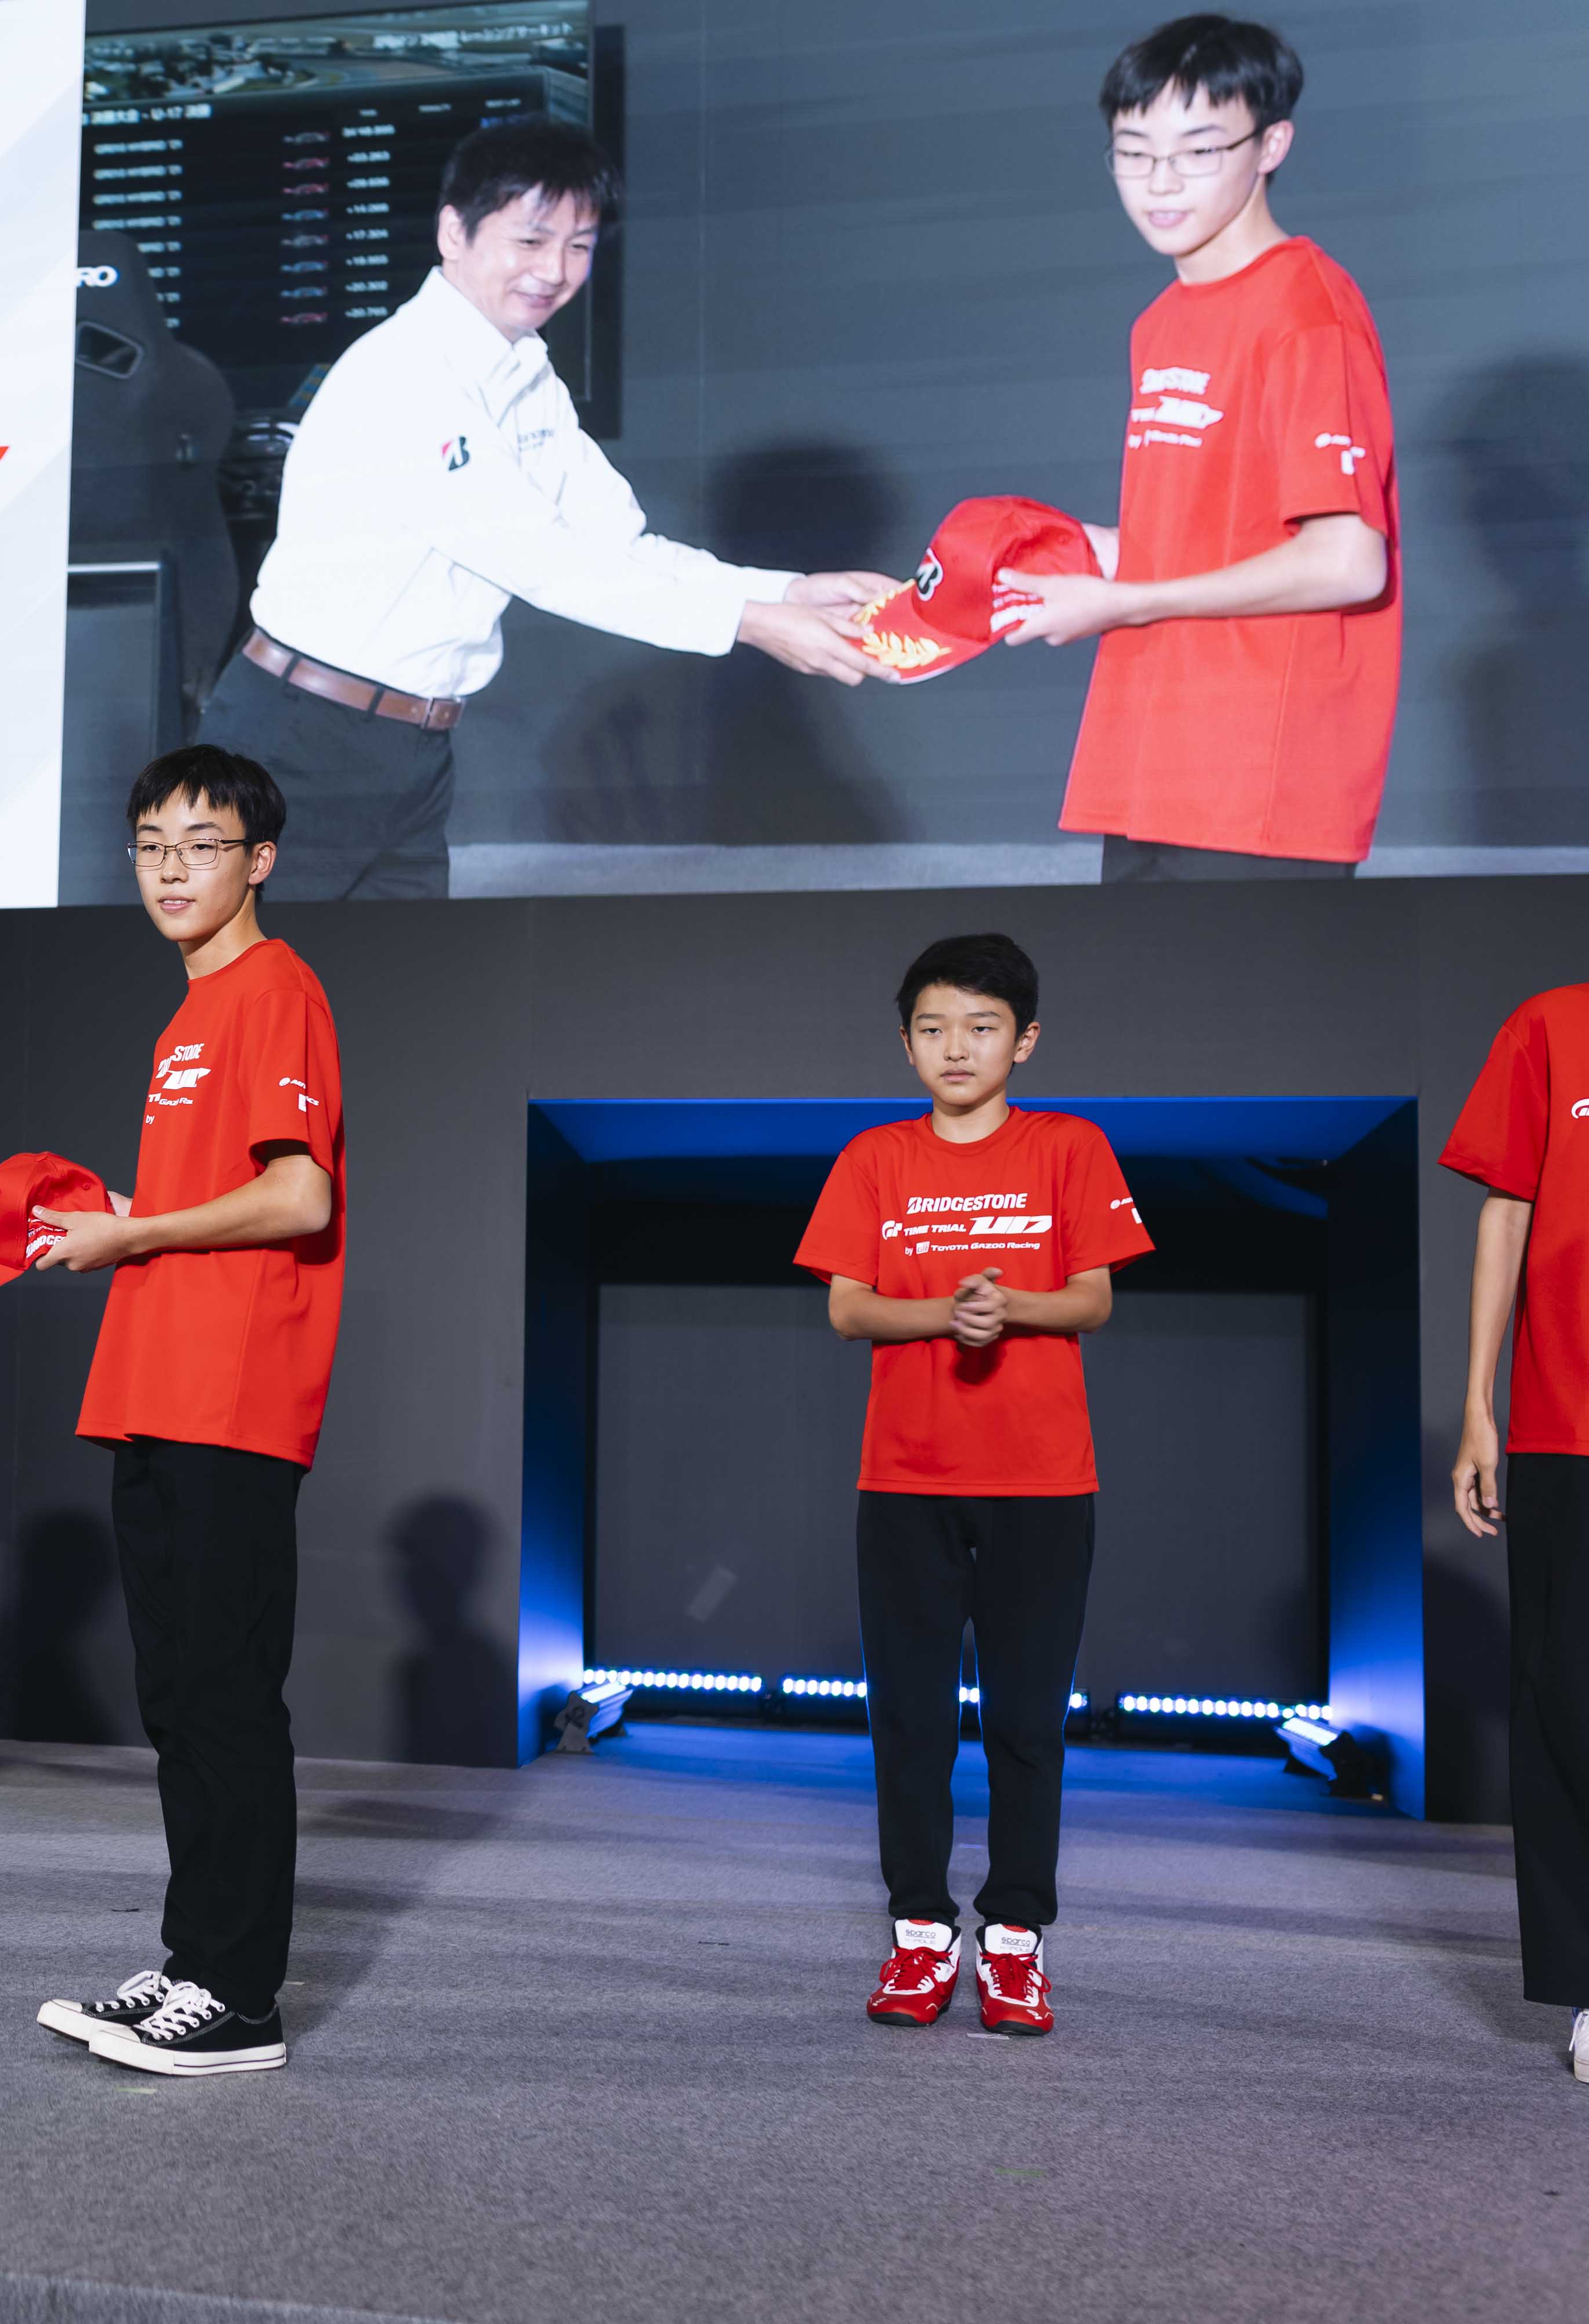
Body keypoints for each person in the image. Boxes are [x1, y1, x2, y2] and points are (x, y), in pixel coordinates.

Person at [208, 118, 901, 901]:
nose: (555, 271)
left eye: (579, 245)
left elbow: (619, 544)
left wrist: (786, 591)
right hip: (297, 740)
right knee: (261, 981)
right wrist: (750, 624)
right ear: (454, 233)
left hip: (413, 748)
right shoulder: (407, 376)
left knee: (393, 977)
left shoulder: (526, 374)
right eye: (531, 241)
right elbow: (545, 562)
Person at [27, 745, 345, 2078]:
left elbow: (300, 1197)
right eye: (151, 845)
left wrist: (137, 1231)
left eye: (200, 844)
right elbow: (206, 1205)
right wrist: (116, 1218)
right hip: (155, 1391)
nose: (171, 868)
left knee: (223, 1696)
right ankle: (195, 1956)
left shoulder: (275, 990)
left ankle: (241, 1997)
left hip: (231, 1398)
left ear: (258, 860)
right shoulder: (189, 1016)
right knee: (176, 1699)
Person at [792, 934, 1150, 2036]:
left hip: (1044, 1483)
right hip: (905, 1481)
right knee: (909, 1723)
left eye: (983, 1027)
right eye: (935, 1028)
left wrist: (1012, 1308)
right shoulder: (874, 1159)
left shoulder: (1070, 1147)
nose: (957, 1048)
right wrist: (949, 1314)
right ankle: (918, 1933)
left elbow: (1094, 1297)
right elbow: (847, 1307)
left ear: (1024, 1041)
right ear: (907, 1045)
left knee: (1029, 1723)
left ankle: (1015, 1939)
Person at [1003, 16, 1399, 878]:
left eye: (1199, 151)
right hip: (1150, 764)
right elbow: (1199, 544)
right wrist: (1065, 557)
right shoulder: (1159, 322)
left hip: (1260, 789)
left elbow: (1347, 562)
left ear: (1271, 146)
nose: (1160, 182)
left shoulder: (1307, 313)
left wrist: (1122, 604)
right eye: (1134, 153)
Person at [1440, 985, 1589, 2085]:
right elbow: (1508, 1208)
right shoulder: (1553, 1027)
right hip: (1567, 1421)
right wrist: (1478, 1404)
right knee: (1568, 1702)